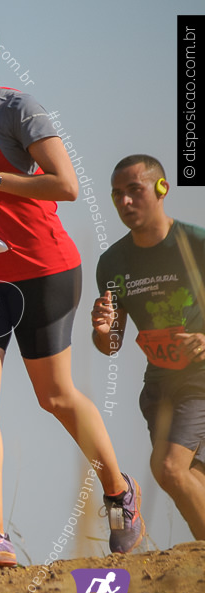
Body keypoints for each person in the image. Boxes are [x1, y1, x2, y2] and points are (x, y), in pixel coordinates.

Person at [0, 9, 144, 569]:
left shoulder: (19, 109)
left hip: (42, 270)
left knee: (54, 397)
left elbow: (64, 185)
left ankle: (119, 492)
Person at [93, 154, 205, 541]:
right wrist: (103, 328)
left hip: (199, 378)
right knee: (184, 477)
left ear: (161, 190)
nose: (125, 202)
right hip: (158, 384)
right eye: (117, 195)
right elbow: (111, 345)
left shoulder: (196, 243)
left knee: (169, 468)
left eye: (134, 191)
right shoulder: (112, 263)